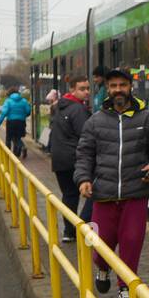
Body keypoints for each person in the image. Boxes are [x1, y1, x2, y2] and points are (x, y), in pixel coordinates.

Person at [74, 68, 149, 298]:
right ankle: (103, 268)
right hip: (103, 194)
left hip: (136, 192)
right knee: (100, 242)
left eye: (122, 85)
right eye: (113, 85)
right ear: (107, 88)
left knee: (132, 240)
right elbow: (85, 154)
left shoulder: (147, 119)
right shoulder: (95, 121)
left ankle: (126, 287)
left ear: (130, 87)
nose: (118, 90)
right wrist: (83, 179)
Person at [49, 76, 94, 243]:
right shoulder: (78, 109)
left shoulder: (59, 107)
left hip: (59, 159)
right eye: (82, 89)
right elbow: (86, 135)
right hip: (75, 159)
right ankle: (85, 229)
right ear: (72, 90)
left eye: (88, 88)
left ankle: (69, 232)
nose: (87, 92)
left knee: (69, 195)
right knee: (93, 193)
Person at [0, 86, 32, 158]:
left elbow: (4, 112)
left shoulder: (8, 101)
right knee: (17, 137)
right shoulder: (24, 101)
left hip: (11, 122)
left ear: (9, 94)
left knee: (9, 138)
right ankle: (18, 151)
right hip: (21, 122)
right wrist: (23, 115)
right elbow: (28, 111)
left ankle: (8, 155)